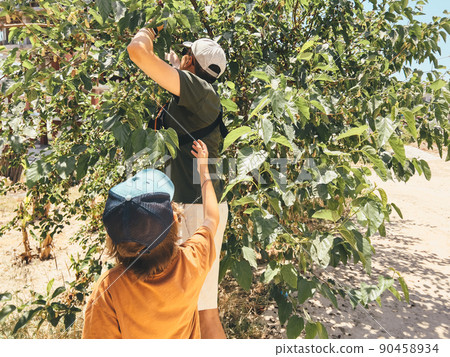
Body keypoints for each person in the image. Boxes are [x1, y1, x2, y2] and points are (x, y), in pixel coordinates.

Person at [127, 25, 228, 338]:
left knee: (202, 313)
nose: (181, 57)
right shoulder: (200, 96)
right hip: (199, 208)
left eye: (186, 54)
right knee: (196, 312)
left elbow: (138, 53)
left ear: (190, 63)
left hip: (196, 212)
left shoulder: (196, 89)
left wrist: (148, 29)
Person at [82, 140, 220, 338]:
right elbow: (212, 218)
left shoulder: (109, 289)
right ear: (175, 219)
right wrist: (204, 170)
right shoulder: (191, 261)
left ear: (113, 239)